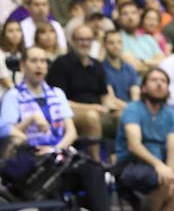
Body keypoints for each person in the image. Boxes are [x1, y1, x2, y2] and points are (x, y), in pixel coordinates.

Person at [0, 46, 110, 211]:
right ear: (23, 66)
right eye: (34, 61)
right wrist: (30, 120)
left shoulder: (57, 93)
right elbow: (6, 132)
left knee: (93, 170)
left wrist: (55, 149)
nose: (39, 65)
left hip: (59, 155)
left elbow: (71, 132)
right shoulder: (13, 96)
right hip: (31, 158)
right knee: (49, 178)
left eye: (43, 61)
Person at [114, 68, 174, 211]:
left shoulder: (171, 114)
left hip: (162, 165)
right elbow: (134, 145)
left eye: (163, 81)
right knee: (162, 178)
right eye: (154, 80)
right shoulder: (133, 109)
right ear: (143, 88)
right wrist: (160, 167)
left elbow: (173, 148)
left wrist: (170, 171)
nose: (159, 84)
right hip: (132, 164)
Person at [46, 25, 125, 157]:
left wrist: (111, 107)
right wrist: (93, 108)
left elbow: (104, 95)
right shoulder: (61, 64)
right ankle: (96, 165)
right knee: (91, 116)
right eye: (80, 39)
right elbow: (58, 100)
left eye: (88, 39)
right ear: (72, 41)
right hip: (70, 111)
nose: (85, 43)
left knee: (125, 116)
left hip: (97, 109)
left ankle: (119, 162)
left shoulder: (97, 65)